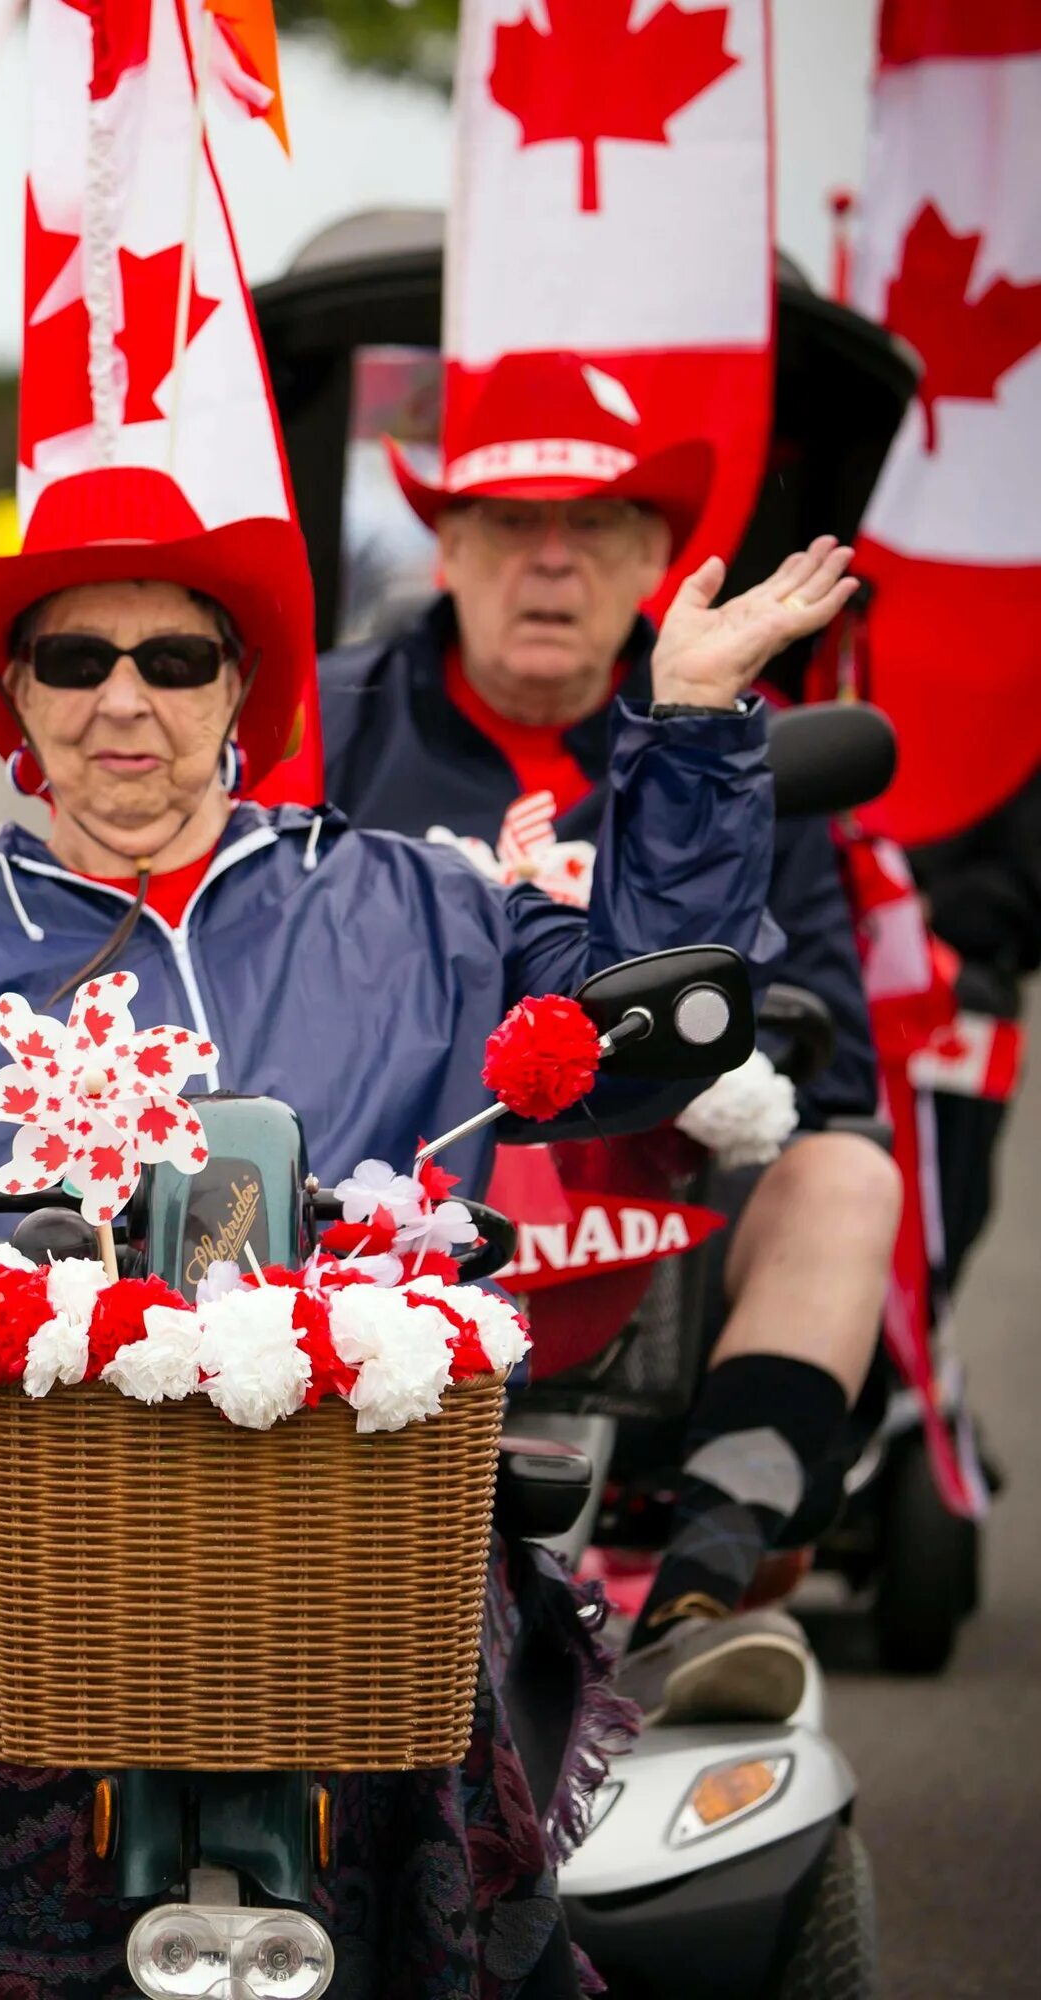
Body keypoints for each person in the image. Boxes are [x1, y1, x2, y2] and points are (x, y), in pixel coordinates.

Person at [0, 458, 853, 1996]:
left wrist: (686, 726)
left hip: (352, 1475)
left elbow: (660, 1027)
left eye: (174, 659)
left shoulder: (422, 909)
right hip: (8, 1477)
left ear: (241, 691)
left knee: (430, 1557)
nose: (123, 699)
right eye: (75, 659)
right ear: (16, 701)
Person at [318, 350, 899, 1724]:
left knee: (849, 1173)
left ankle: (704, 1577)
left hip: (658, 1232)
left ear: (654, 560)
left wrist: (711, 1050)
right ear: (446, 543)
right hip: (382, 1206)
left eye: (595, 530)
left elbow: (841, 1066)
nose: (551, 564)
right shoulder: (323, 728)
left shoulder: (735, 752)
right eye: (511, 525)